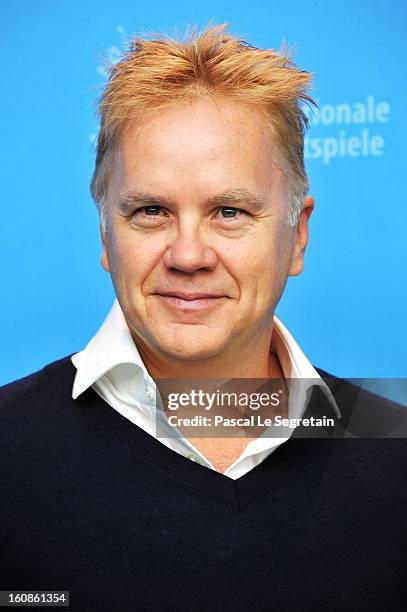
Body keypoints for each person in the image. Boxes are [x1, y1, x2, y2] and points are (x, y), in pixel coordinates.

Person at [1, 24, 406, 612]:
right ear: (106, 235)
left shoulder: (394, 455)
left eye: (229, 211)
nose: (188, 255)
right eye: (150, 211)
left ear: (297, 235)